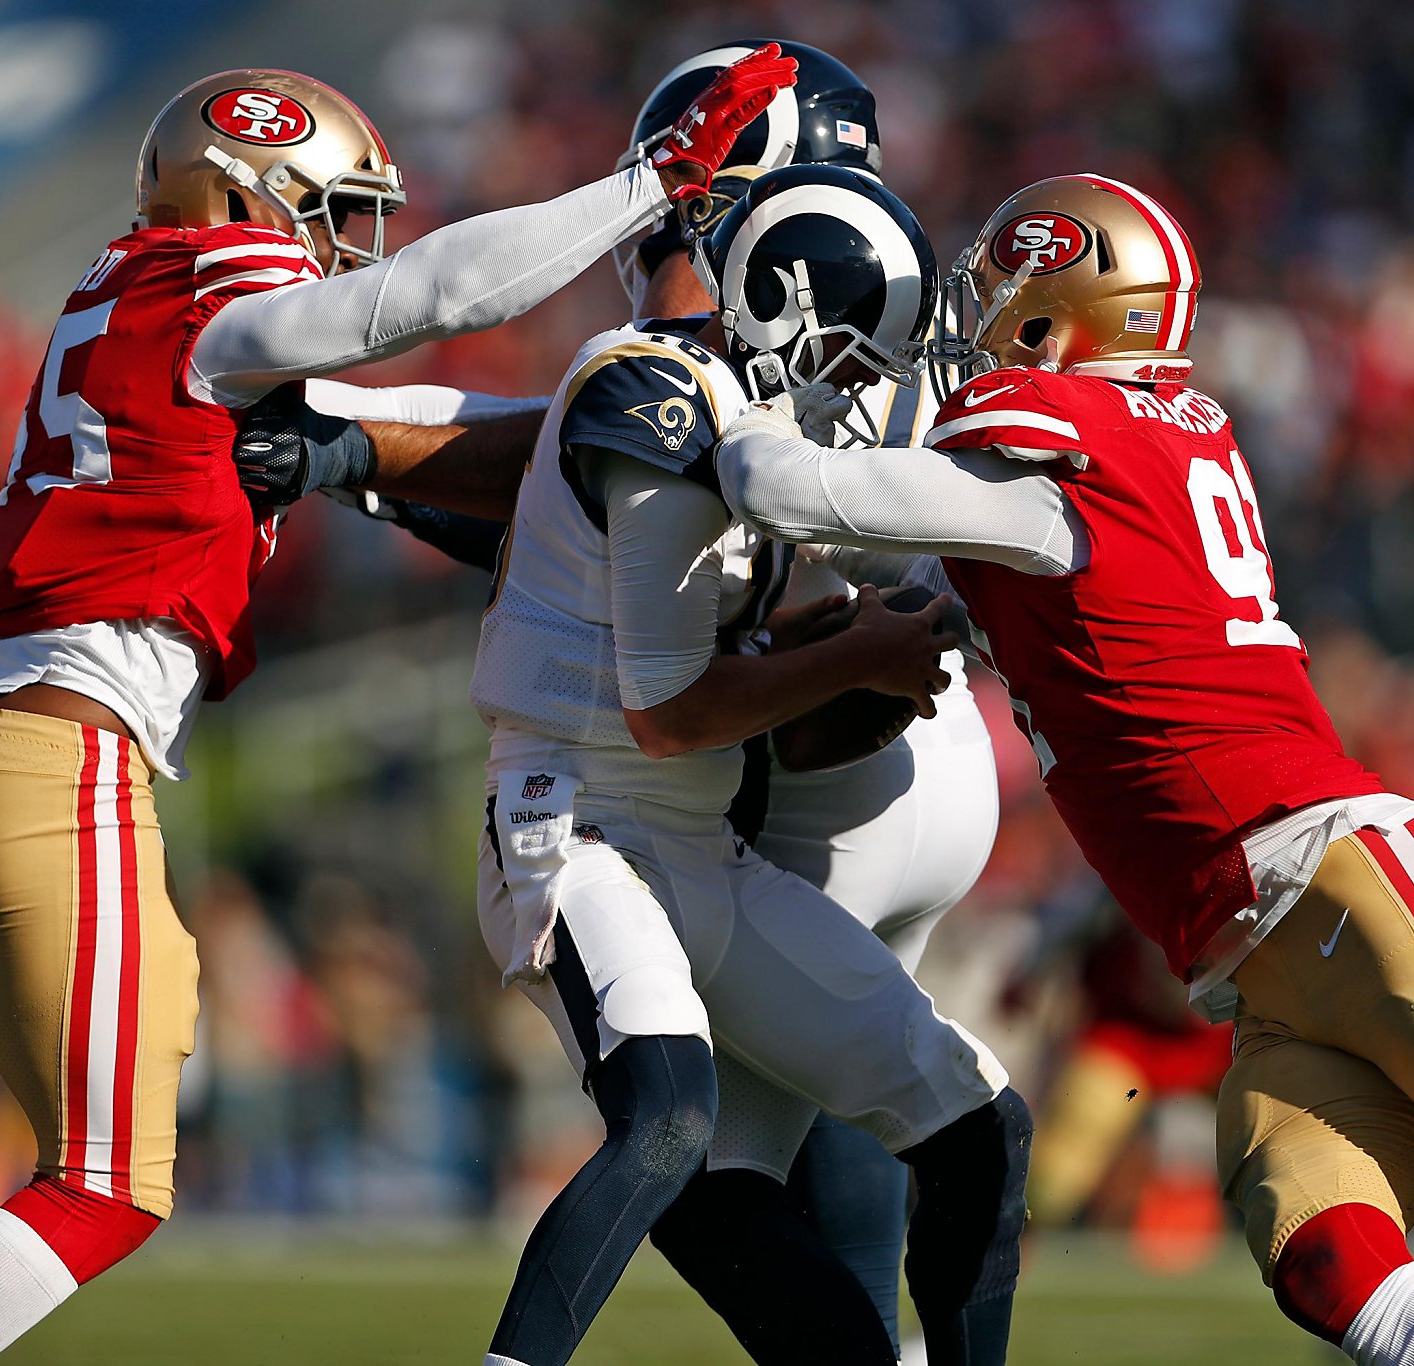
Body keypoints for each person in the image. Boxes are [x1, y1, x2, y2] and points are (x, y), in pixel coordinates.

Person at [0, 53, 795, 1366]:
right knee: (105, 1182)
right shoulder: (215, 290)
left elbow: (400, 413)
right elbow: (422, 301)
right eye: (324, 207)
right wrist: (649, 184)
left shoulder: (121, 298)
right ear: (244, 195)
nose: (340, 243)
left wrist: (651, 412)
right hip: (53, 752)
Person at [717, 171, 1414, 1366]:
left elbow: (791, 489)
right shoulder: (1097, 463)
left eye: (1001, 299)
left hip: (1346, 883)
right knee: (1323, 1260)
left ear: (1056, 314)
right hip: (1255, 958)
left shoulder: (1062, 450)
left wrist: (724, 401)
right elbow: (925, 591)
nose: (973, 329)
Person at [471, 163, 1029, 1366]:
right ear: (782, 317)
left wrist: (869, 638)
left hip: (697, 843)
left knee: (975, 1118)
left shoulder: (738, 412)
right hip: (576, 826)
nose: (865, 392)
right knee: (667, 1119)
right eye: (853, 358)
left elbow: (741, 649)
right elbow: (667, 709)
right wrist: (854, 660)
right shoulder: (654, 397)